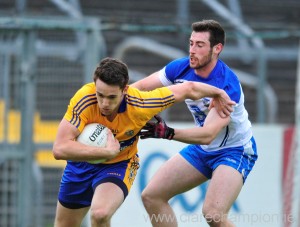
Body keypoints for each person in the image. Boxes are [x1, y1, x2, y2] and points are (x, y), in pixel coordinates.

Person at [52, 57, 235, 227]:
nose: (104, 103)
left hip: (118, 164)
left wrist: (218, 92)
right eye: (100, 95)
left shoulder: (142, 104)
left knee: (100, 213)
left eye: (111, 97)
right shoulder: (84, 99)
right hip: (80, 165)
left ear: (125, 90)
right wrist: (105, 152)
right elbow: (60, 148)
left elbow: (188, 89)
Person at [132, 19, 258, 227]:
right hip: (203, 149)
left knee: (213, 214)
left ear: (217, 49)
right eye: (191, 43)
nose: (192, 50)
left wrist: (168, 133)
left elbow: (208, 133)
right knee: (152, 196)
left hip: (234, 150)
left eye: (200, 45)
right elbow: (141, 88)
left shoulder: (227, 86)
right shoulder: (180, 68)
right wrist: (113, 98)